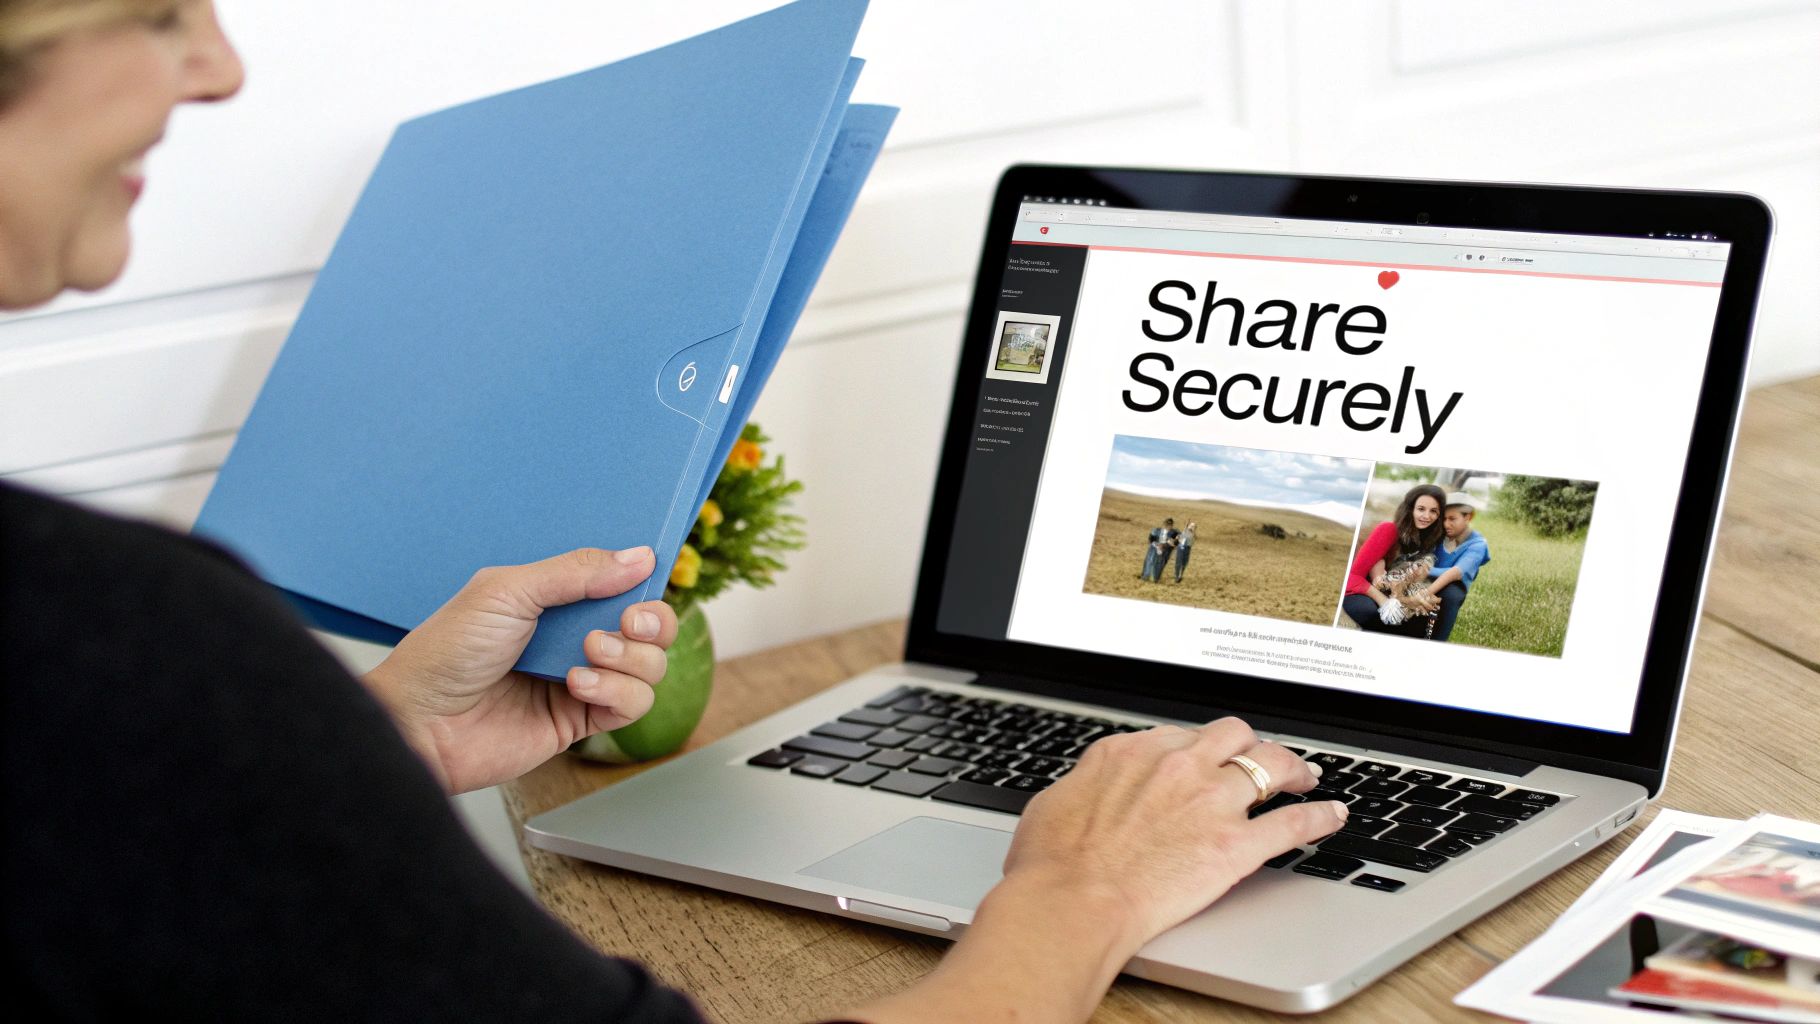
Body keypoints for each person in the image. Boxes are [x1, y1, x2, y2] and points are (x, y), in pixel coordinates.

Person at [0, 4, 1346, 1021]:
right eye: (159, 9)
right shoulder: (100, 638)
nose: (220, 66)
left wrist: (366, 749)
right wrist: (1082, 892)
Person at [1341, 483, 1446, 634]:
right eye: (1421, 509)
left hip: (1396, 590)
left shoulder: (1431, 541)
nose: (1427, 516)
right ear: (1410, 509)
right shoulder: (1388, 530)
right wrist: (1384, 601)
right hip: (1362, 588)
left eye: (1434, 511)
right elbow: (1352, 576)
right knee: (1369, 612)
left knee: (1423, 616)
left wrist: (1417, 598)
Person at [1420, 491, 1491, 642]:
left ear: (1468, 517)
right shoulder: (1440, 535)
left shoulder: (1478, 544)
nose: (1446, 524)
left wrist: (1426, 589)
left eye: (1452, 519)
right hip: (1427, 577)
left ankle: (1439, 640)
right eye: (1444, 519)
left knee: (1451, 596)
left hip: (1453, 585)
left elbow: (1456, 573)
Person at [1140, 515, 1177, 582]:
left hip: (1165, 550)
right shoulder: (1156, 530)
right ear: (1164, 524)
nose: (1168, 526)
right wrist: (1157, 545)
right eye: (1167, 524)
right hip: (1154, 548)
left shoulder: (1174, 532)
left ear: (1172, 525)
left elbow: (1175, 542)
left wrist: (1166, 545)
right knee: (1149, 561)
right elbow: (1151, 539)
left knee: (1160, 564)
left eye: (1170, 524)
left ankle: (1155, 578)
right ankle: (1145, 576)